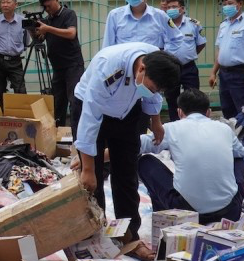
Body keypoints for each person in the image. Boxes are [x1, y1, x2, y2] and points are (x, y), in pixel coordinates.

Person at [74, 43, 181, 242]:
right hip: (92, 109)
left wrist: (155, 121)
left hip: (128, 111)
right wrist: (87, 168)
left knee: (127, 174)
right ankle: (95, 235)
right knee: (92, 181)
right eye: (150, 87)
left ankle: (129, 234)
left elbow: (153, 96)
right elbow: (90, 118)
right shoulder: (110, 68)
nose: (151, 91)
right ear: (141, 68)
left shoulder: (155, 61)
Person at [138, 89, 244, 224]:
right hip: (230, 212)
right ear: (208, 112)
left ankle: (162, 215)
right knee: (239, 158)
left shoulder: (172, 128)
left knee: (145, 162)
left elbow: (138, 145)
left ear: (179, 112)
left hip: (186, 213)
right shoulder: (224, 128)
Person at [34, 0, 83, 131]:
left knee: (74, 100)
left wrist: (48, 28)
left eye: (49, 6)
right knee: (58, 102)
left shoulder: (68, 14)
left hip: (73, 65)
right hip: (57, 66)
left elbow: (71, 33)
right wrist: (35, 31)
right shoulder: (48, 19)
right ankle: (58, 133)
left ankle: (77, 133)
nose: (47, 9)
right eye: (45, 7)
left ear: (56, 0)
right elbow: (41, 39)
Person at [160, 0, 206, 122]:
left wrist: (188, 55)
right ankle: (175, 124)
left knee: (193, 98)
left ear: (182, 9)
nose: (171, 9)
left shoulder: (194, 24)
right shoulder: (163, 26)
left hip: (188, 67)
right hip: (170, 68)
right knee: (171, 98)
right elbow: (160, 47)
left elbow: (201, 43)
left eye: (174, 7)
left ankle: (193, 124)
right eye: (168, 7)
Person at [101, 0, 172, 49]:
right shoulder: (115, 15)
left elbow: (175, 39)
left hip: (150, 59)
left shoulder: (160, 16)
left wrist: (166, 56)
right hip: (125, 60)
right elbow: (107, 45)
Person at [0, 0, 26, 108]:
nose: (5, 5)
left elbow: (26, 40)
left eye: (8, 2)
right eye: (3, 2)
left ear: (15, 4)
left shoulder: (22, 21)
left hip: (15, 60)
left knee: (20, 90)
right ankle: (4, 119)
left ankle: (20, 116)